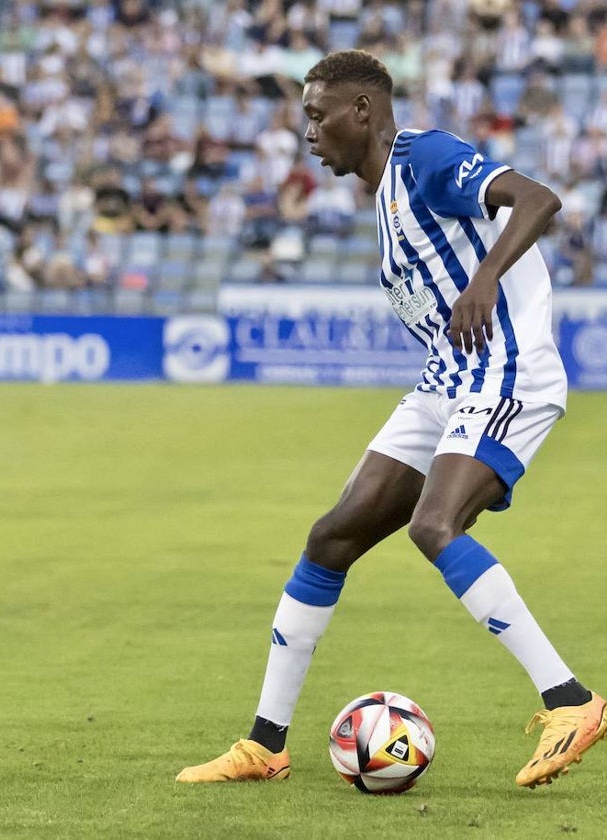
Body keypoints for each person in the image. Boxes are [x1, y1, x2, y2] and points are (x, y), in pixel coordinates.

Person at [177, 50, 605, 790]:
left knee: (434, 526)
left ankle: (571, 702)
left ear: (364, 113)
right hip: (448, 381)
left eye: (319, 114)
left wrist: (485, 278)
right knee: (331, 536)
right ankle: (265, 744)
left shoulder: (425, 159)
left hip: (506, 372)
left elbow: (538, 199)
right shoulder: (382, 203)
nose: (308, 130)